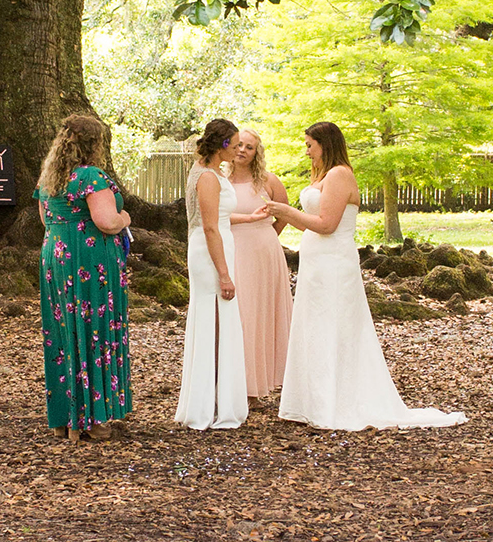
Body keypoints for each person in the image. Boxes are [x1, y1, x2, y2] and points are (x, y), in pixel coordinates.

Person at [261, 121, 466, 431]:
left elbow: (327, 224)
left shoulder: (340, 174)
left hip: (334, 264)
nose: (306, 151)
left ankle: (336, 403)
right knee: (314, 327)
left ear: (325, 144)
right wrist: (282, 215)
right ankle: (312, 402)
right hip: (316, 264)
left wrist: (286, 211)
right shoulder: (322, 176)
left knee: (334, 327)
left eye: (309, 145)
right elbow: (308, 224)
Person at [35, 111, 132, 439]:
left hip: (56, 255)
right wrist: (125, 218)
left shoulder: (49, 178)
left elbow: (46, 219)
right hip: (89, 262)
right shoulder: (91, 176)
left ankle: (65, 419)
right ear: (95, 144)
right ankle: (92, 420)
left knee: (64, 333)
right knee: (93, 331)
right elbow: (106, 221)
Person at [174, 117, 249, 429]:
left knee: (219, 321)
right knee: (212, 319)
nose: (240, 150)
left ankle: (216, 397)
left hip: (216, 247)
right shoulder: (206, 176)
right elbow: (209, 227)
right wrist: (224, 274)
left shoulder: (213, 171)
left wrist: (250, 218)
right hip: (209, 254)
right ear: (223, 145)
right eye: (236, 144)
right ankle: (207, 405)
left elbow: (220, 217)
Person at [228, 125, 293, 398]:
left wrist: (268, 235)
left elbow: (285, 213)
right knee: (241, 313)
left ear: (257, 153)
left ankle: (261, 384)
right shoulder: (220, 179)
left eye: (249, 147)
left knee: (261, 313)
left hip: (265, 252)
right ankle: (237, 383)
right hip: (234, 250)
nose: (243, 150)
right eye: (239, 145)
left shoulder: (268, 180)